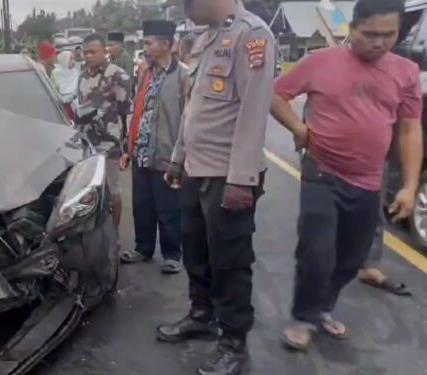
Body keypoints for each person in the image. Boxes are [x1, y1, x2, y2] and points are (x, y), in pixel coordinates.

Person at [272, 0, 421, 350]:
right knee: (316, 252)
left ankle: (323, 307)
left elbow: (410, 130)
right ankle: (305, 316)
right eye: (370, 34)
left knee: (352, 259)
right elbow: (277, 94)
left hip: (370, 181)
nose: (380, 42)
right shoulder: (321, 61)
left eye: (389, 35)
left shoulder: (406, 72)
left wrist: (411, 186)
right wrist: (298, 126)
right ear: (352, 29)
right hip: (321, 173)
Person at [161, 0, 275, 373]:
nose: (184, 9)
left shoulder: (252, 35)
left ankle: (233, 341)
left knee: (230, 262)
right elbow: (194, 107)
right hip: (196, 169)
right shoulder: (205, 38)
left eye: (187, 2)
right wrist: (178, 157)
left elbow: (254, 113)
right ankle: (201, 315)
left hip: (228, 175)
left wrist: (241, 181)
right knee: (195, 250)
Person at [119, 20, 186, 274]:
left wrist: (182, 157)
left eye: (149, 43)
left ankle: (172, 254)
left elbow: (188, 118)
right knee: (142, 205)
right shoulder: (145, 73)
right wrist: (129, 147)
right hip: (141, 152)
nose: (144, 47)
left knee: (169, 207)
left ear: (167, 44)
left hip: (168, 154)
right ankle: (143, 247)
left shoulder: (183, 76)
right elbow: (137, 111)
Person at [78, 33, 131, 231]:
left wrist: (126, 145)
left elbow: (127, 109)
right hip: (87, 142)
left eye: (93, 52)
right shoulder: (82, 75)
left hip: (109, 142)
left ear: (104, 51)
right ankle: (94, 234)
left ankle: (114, 235)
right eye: (85, 52)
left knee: (112, 191)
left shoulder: (117, 75)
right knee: (90, 192)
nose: (88, 56)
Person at [51, 51, 79, 121]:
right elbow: (53, 88)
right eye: (71, 59)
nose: (73, 61)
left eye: (74, 58)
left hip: (74, 103)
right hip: (61, 104)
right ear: (64, 59)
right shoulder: (56, 72)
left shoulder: (74, 72)